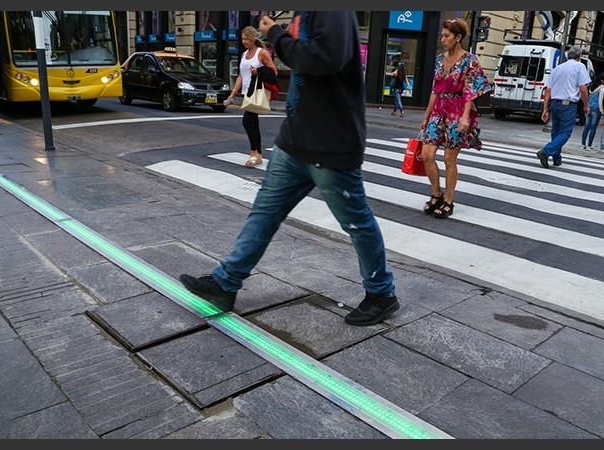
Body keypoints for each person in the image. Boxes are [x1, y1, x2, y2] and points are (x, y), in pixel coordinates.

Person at [180, 11, 400, 327]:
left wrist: (277, 35)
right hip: (295, 139)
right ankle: (225, 283)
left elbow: (327, 58)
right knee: (264, 212)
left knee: (356, 222)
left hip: (330, 142)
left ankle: (381, 293)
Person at [419, 18, 492, 219]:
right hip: (438, 110)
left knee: (449, 159)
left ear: (458, 37)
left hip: (457, 111)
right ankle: (436, 193)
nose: (443, 39)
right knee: (426, 155)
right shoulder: (438, 60)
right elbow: (435, 90)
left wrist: (465, 117)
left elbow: (470, 90)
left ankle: (449, 201)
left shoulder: (470, 60)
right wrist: (426, 117)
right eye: (442, 35)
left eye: (447, 36)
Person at [224, 26, 278, 167]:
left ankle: (254, 153)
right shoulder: (243, 55)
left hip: (257, 92)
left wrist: (258, 72)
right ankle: (257, 154)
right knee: (253, 123)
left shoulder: (262, 53)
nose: (243, 41)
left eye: (246, 39)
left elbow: (274, 73)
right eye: (242, 39)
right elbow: (241, 76)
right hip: (247, 93)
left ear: (253, 38)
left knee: (247, 121)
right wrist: (233, 93)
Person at [537, 46, 591, 168]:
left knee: (556, 132)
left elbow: (548, 90)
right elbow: (583, 88)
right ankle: (546, 151)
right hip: (568, 104)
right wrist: (586, 105)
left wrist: (545, 108)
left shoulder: (557, 68)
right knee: (565, 132)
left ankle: (556, 157)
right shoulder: (579, 66)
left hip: (555, 103)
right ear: (579, 56)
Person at [581, 73, 604, 149]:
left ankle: (583, 144)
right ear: (602, 80)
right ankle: (589, 145)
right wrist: (602, 111)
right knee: (593, 128)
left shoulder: (591, 88)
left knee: (587, 126)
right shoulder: (603, 89)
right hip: (596, 109)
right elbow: (600, 101)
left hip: (589, 108)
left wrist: (586, 106)